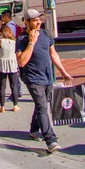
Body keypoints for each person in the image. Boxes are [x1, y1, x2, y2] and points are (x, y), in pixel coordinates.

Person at [16, 9, 73, 154]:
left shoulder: (46, 34)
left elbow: (53, 54)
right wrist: (31, 43)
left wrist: (63, 72)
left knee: (41, 104)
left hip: (47, 77)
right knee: (42, 107)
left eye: (39, 20)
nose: (38, 22)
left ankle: (34, 129)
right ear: (27, 22)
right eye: (35, 20)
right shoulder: (22, 39)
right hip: (32, 78)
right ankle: (51, 140)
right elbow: (21, 62)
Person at [0, 25, 20, 112]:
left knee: (2, 86)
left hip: (2, 63)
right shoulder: (15, 41)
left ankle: (2, 107)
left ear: (2, 33)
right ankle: (15, 105)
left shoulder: (0, 41)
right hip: (12, 63)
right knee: (14, 86)